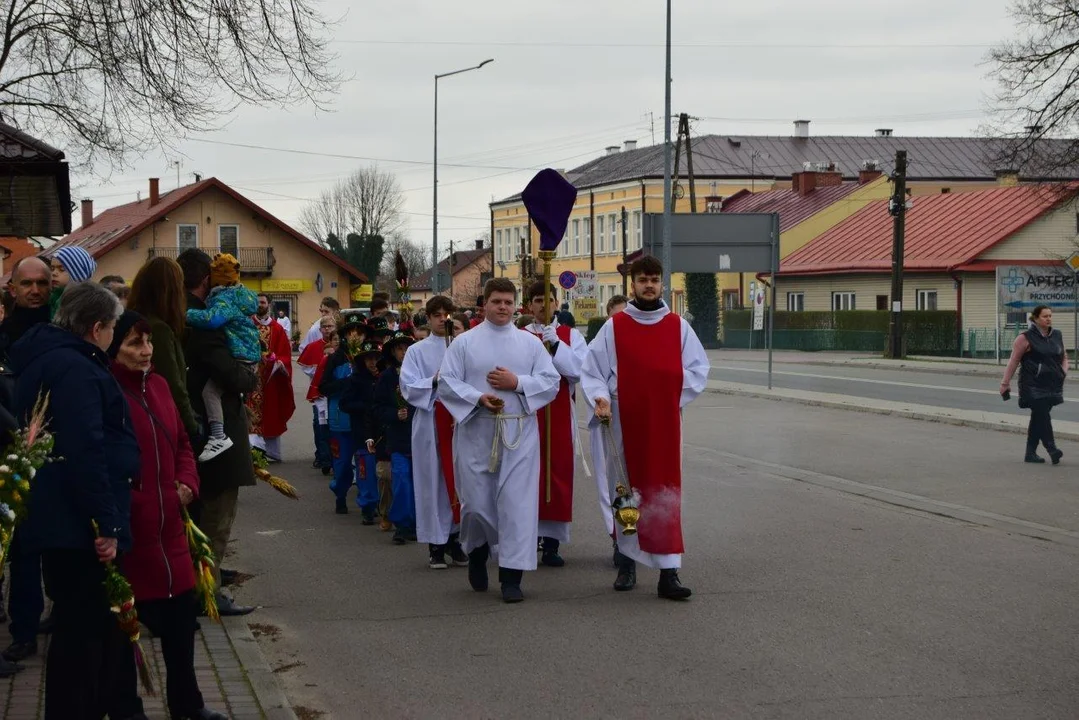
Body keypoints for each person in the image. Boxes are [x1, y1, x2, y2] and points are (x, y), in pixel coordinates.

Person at [9, 282, 140, 719]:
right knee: (80, 636)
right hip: (77, 523)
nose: (114, 337)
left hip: (61, 515)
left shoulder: (50, 358)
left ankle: (116, 706)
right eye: (113, 328)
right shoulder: (77, 369)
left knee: (90, 629)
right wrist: (107, 524)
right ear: (97, 327)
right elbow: (86, 448)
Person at [107, 311, 228, 720]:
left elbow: (181, 444)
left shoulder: (158, 385)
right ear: (112, 346)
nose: (145, 352)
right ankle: (128, 709)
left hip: (172, 533)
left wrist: (188, 482)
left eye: (148, 342)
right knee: (126, 636)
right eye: (134, 344)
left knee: (181, 633)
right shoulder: (107, 392)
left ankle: (188, 706)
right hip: (134, 534)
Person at [581, 256, 710, 600]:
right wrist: (599, 397)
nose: (649, 285)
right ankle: (626, 564)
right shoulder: (615, 326)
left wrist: (669, 397)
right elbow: (591, 369)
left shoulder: (678, 326)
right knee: (625, 487)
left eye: (654, 279)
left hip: (665, 420)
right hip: (625, 420)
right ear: (633, 285)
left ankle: (669, 573)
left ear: (662, 284)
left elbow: (698, 370)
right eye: (643, 280)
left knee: (665, 491)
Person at [438, 278, 560, 603]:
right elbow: (447, 383)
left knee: (516, 505)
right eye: (496, 301)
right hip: (476, 432)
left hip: (518, 433)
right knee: (477, 502)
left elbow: (551, 382)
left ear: (515, 305)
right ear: (484, 304)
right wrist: (479, 398)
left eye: (508, 302)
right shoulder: (464, 344)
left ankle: (511, 577)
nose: (503, 307)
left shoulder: (530, 344)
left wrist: (517, 382)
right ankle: (477, 552)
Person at [175, 248, 257, 617]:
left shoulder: (181, 316)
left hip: (197, 429)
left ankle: (203, 580)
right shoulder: (206, 325)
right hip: (214, 434)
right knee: (216, 515)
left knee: (203, 515)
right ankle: (207, 591)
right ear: (206, 279)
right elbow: (232, 374)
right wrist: (250, 378)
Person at [0, 257, 52, 674]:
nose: (35, 290)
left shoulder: (62, 333)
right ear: (12, 287)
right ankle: (23, 630)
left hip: (55, 452)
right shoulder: (2, 338)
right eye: (27, 283)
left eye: (42, 283)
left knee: (54, 542)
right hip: (11, 452)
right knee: (20, 549)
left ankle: (58, 617)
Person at [400, 296, 469, 570]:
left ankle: (456, 539)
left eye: (447, 314)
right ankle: (436, 545)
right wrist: (434, 379)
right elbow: (408, 386)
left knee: (460, 479)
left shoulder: (463, 346)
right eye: (437, 315)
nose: (442, 319)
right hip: (431, 420)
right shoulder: (417, 351)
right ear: (428, 319)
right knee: (433, 482)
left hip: (461, 420)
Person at [522, 281, 588, 568]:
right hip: (527, 413)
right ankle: (526, 538)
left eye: (547, 299)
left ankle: (552, 544)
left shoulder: (571, 335)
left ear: (556, 302)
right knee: (526, 476)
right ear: (528, 305)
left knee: (557, 475)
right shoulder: (518, 336)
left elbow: (577, 372)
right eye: (536, 300)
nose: (542, 305)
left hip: (560, 410)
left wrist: (557, 345)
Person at [184, 254, 261, 462]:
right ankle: (219, 435)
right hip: (247, 355)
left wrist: (186, 314)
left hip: (240, 356)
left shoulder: (223, 300)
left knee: (210, 392)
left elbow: (212, 319)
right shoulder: (241, 295)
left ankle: (218, 436)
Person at [127, 256, 199, 439]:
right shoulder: (158, 329)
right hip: (161, 421)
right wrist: (192, 426)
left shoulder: (134, 320)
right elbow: (173, 384)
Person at [1001, 304, 1068, 464]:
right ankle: (1052, 449)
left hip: (1052, 384)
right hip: (1032, 384)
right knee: (1042, 414)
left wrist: (1063, 372)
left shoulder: (1057, 335)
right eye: (1045, 316)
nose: (1049, 319)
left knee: (1038, 417)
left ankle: (1030, 453)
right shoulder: (1024, 338)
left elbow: (1064, 356)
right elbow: (1013, 361)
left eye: (1050, 316)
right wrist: (1005, 383)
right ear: (1036, 318)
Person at [319, 320, 372, 515]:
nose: (355, 336)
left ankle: (367, 504)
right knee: (342, 466)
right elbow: (323, 387)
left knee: (365, 465)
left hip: (365, 424)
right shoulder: (336, 359)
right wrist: (347, 384)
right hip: (340, 421)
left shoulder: (371, 358)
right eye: (351, 332)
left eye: (359, 332)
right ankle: (340, 494)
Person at [376, 331, 417, 545]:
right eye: (399, 348)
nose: (403, 352)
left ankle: (418, 523)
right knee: (400, 480)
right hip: (398, 439)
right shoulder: (387, 377)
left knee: (419, 483)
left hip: (420, 437)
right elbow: (378, 407)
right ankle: (402, 524)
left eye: (406, 348)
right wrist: (394, 414)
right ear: (393, 352)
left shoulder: (420, 373)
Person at [339, 340, 385, 524]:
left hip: (383, 431)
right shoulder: (355, 380)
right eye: (368, 359)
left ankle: (383, 505)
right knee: (365, 472)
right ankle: (367, 506)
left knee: (384, 471)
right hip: (362, 432)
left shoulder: (385, 377)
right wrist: (365, 407)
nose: (372, 363)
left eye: (375, 358)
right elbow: (344, 403)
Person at [248, 293, 295, 463]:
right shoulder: (247, 325)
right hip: (250, 378)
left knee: (271, 413)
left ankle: (270, 452)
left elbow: (285, 356)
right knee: (249, 414)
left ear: (269, 304)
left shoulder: (277, 329)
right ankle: (252, 452)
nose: (259, 305)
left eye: (262, 302)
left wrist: (277, 361)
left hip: (270, 380)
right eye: (257, 302)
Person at [298, 314, 337, 474]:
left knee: (334, 426)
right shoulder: (314, 346)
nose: (327, 330)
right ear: (320, 329)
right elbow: (305, 366)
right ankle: (323, 458)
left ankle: (335, 458)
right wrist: (317, 370)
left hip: (335, 392)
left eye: (330, 326)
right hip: (319, 392)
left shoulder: (339, 346)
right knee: (320, 425)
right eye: (324, 327)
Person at [47, 246, 97, 317]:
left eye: (61, 269)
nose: (54, 273)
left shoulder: (87, 303)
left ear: (78, 273)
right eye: (52, 268)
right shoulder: (53, 298)